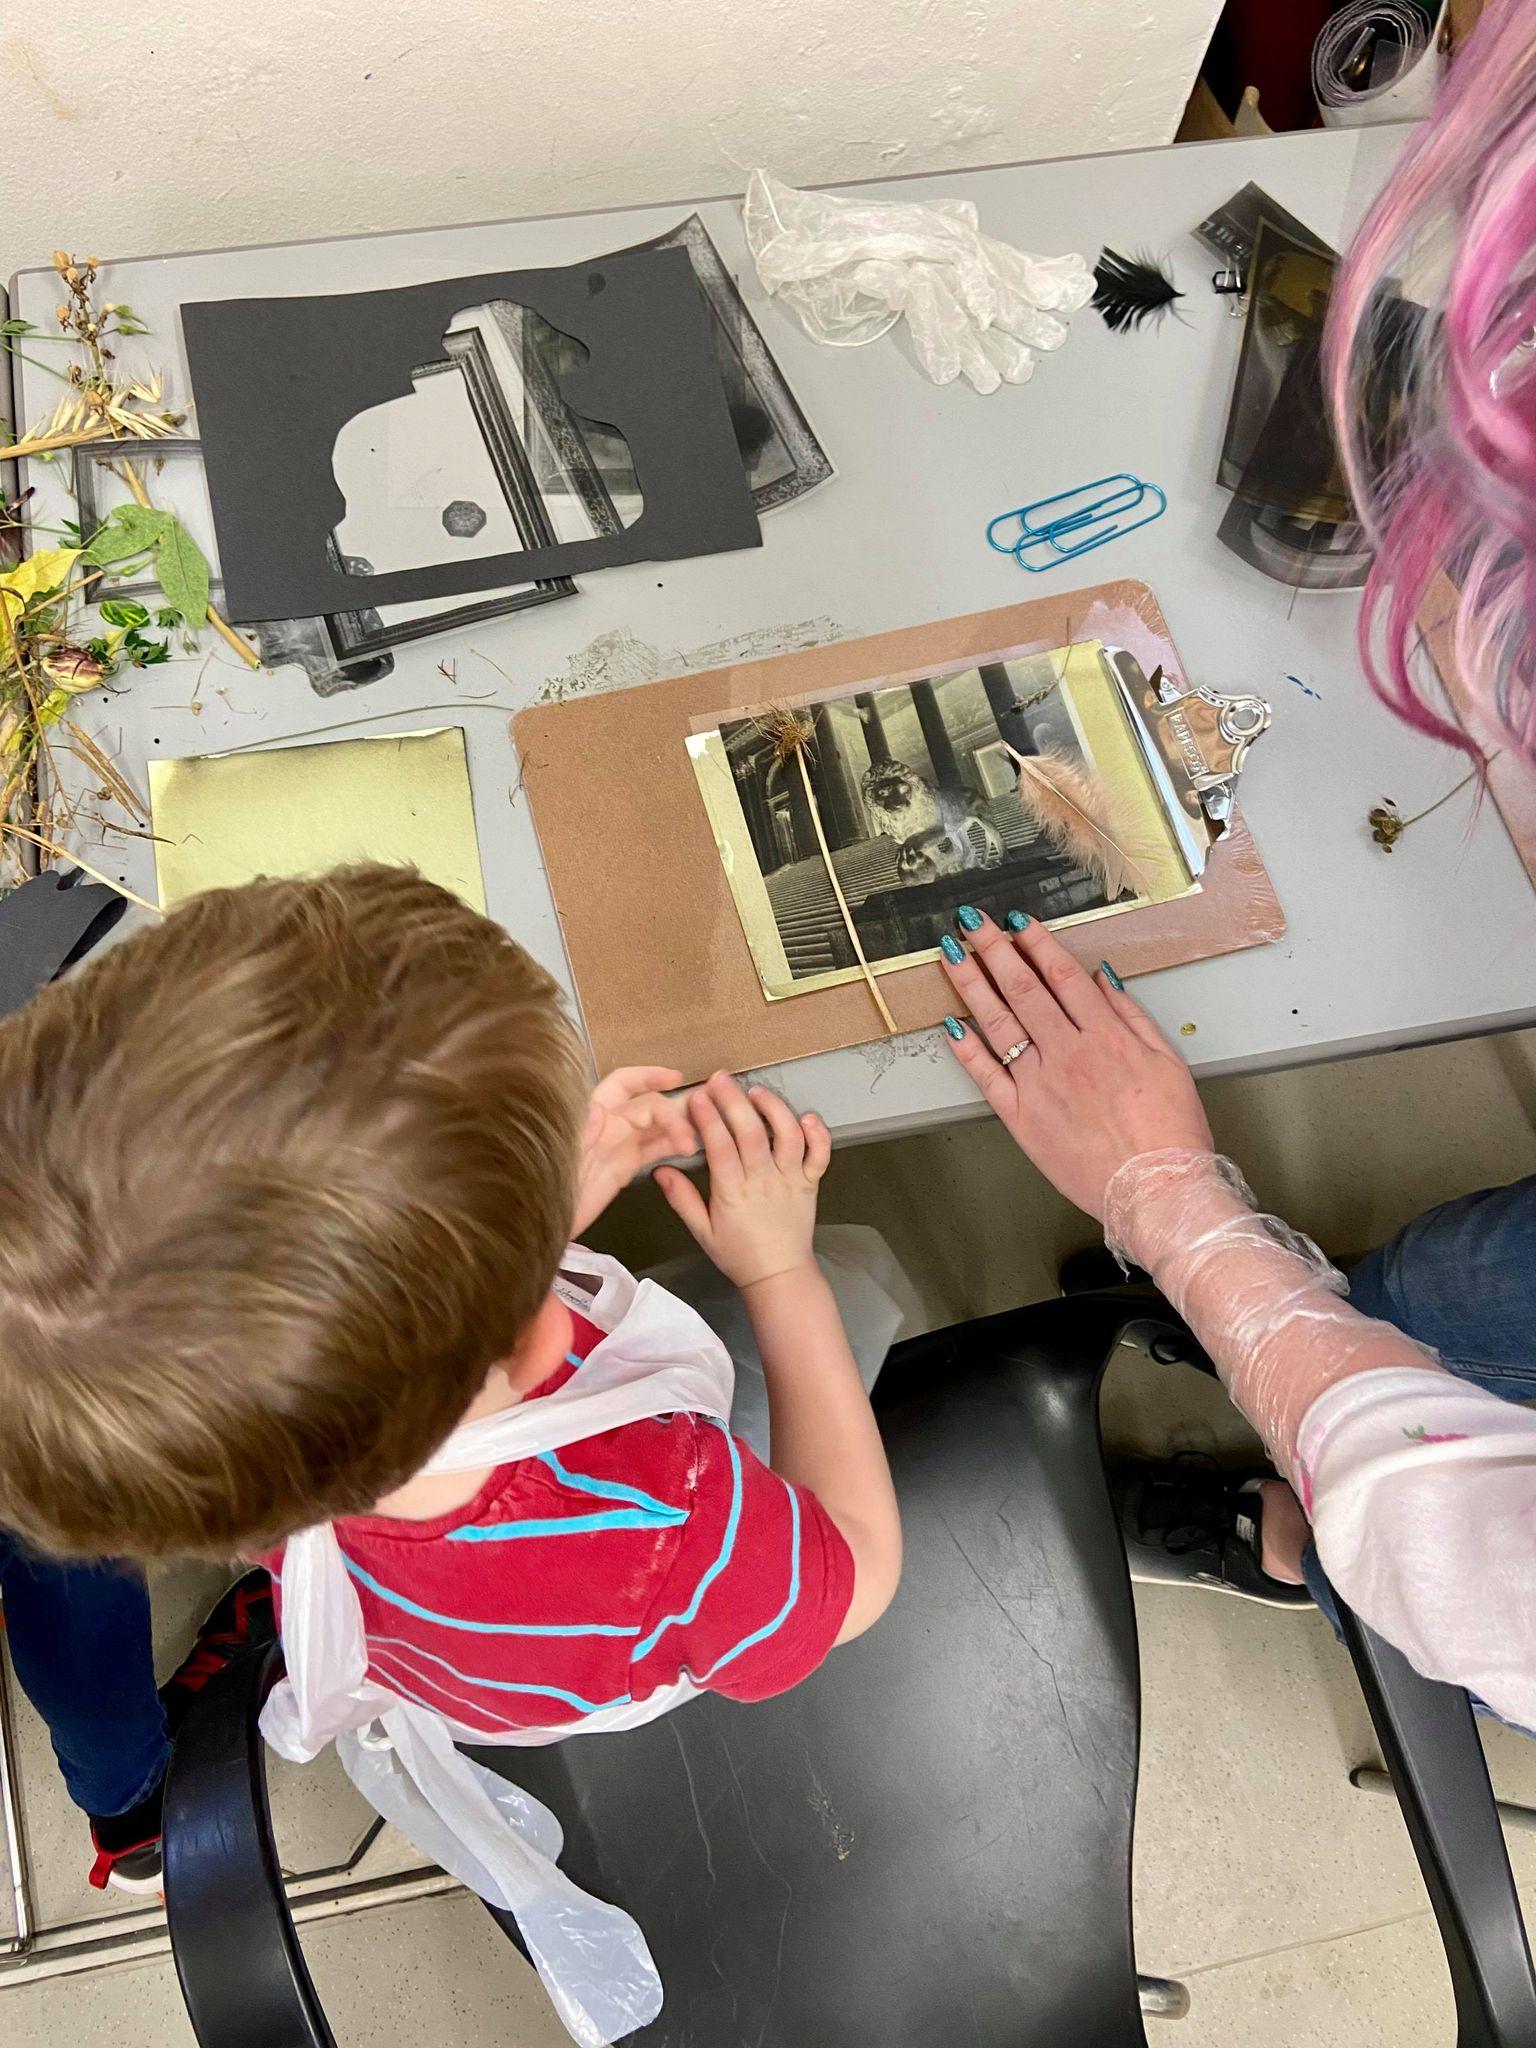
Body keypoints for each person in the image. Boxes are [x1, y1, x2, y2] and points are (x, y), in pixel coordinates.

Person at [0, 864, 902, 2022]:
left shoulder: (245, 1449)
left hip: (424, 1626)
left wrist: (500, 1206)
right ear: (530, 1320)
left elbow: (282, 1284)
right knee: (867, 1284)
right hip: (577, 1637)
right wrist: (782, 1274)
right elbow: (855, 1576)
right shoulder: (662, 1514)